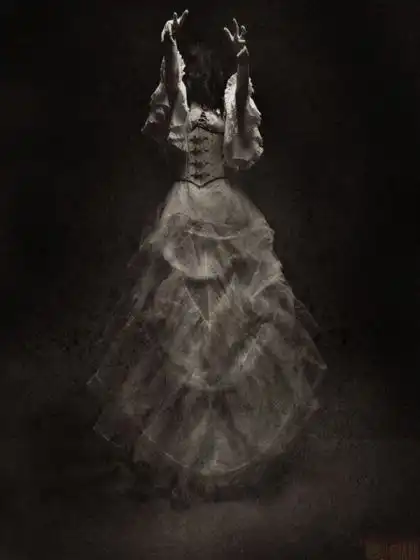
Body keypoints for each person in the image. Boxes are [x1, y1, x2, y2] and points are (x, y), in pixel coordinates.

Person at [88, 10, 326, 507]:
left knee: (227, 325)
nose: (196, 77)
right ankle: (191, 456)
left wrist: (243, 61)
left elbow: (240, 126)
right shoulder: (180, 105)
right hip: (189, 206)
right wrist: (169, 45)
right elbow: (171, 95)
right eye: (193, 71)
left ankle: (224, 452)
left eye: (197, 71)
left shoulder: (227, 105)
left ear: (209, 76)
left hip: (218, 202)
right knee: (186, 331)